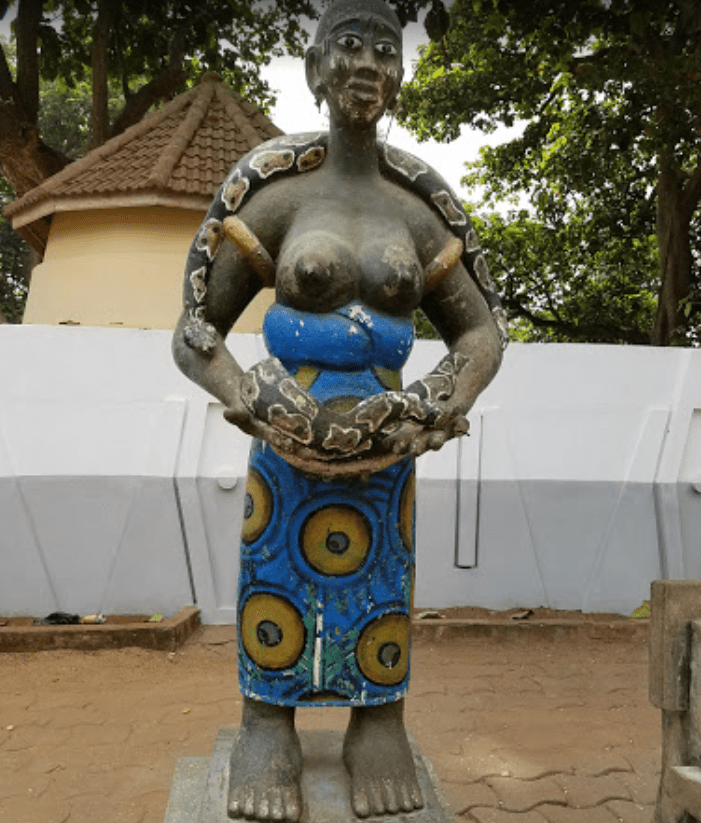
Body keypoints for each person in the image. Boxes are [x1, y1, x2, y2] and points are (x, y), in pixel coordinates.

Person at [173, 1, 505, 819]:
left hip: (388, 444)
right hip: (282, 434)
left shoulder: (418, 207)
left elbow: (480, 333)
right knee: (274, 569)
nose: (365, 62)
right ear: (316, 67)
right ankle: (267, 725)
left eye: (383, 49)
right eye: (346, 46)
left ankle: (378, 724)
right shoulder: (275, 192)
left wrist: (445, 400)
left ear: (399, 75)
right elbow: (194, 331)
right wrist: (241, 393)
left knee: (382, 580)